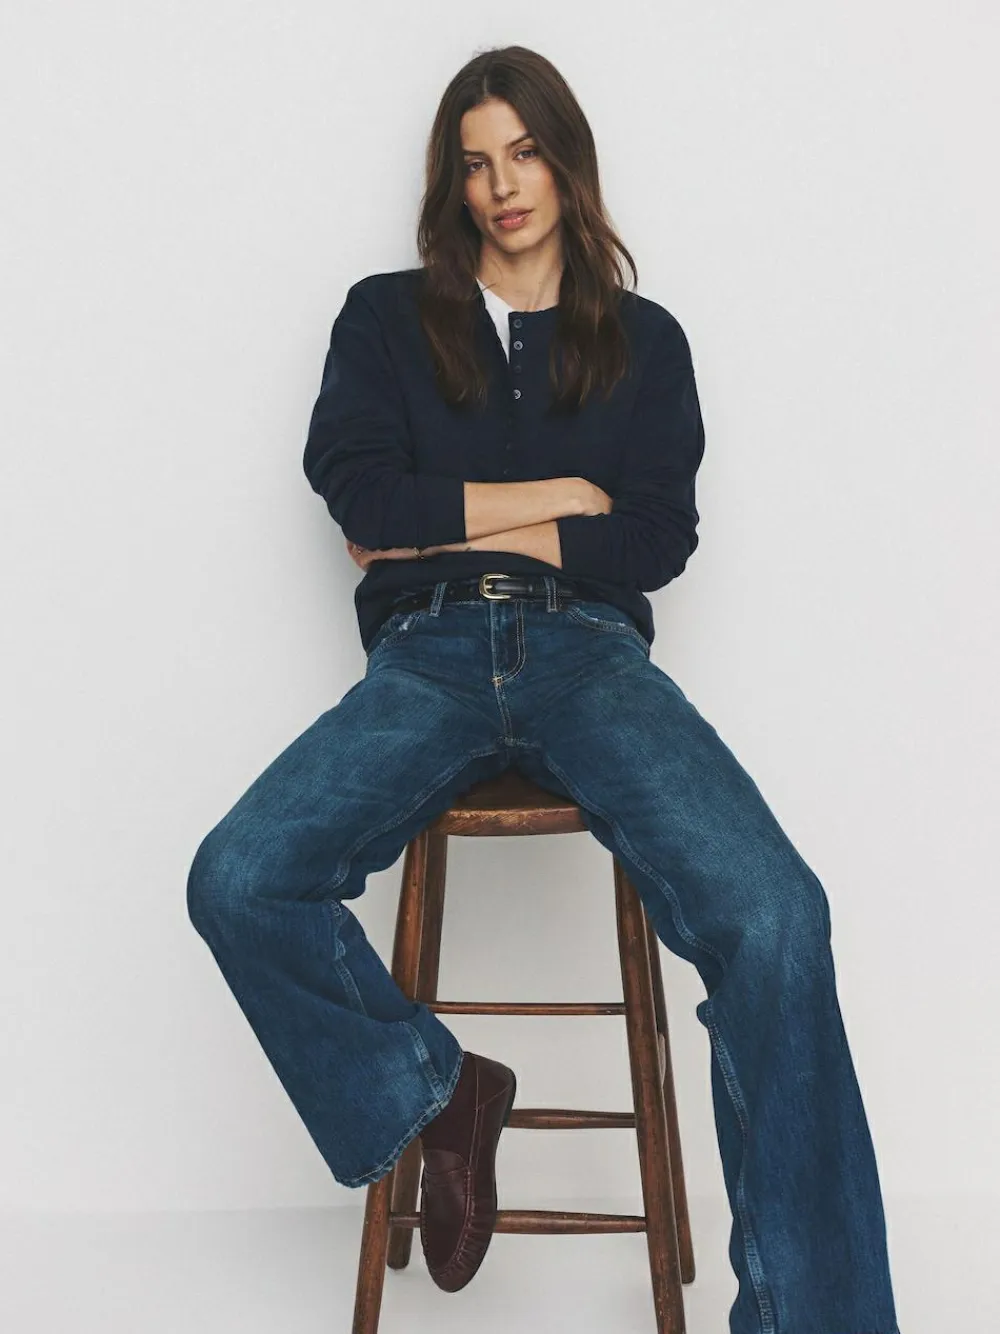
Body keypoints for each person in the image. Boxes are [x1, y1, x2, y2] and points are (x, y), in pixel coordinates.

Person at [186, 44, 902, 1333]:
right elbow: (365, 502)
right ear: (451, 184)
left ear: (566, 163)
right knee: (239, 879)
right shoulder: (385, 319)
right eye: (475, 163)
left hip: (588, 654)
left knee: (779, 917)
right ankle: (443, 1091)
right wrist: (563, 498)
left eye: (523, 153)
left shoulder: (645, 340)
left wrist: (450, 522)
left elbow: (654, 539)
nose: (503, 186)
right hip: (430, 653)